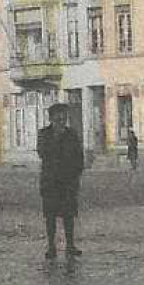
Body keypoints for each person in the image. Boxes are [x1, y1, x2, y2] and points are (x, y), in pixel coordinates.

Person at [37, 102, 85, 260]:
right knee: (50, 217)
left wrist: (77, 173)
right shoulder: (44, 134)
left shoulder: (72, 134)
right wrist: (57, 138)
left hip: (68, 182)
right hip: (50, 182)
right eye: (58, 116)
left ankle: (70, 245)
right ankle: (52, 247)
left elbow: (79, 156)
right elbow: (43, 153)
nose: (61, 119)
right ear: (51, 118)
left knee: (68, 216)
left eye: (63, 116)